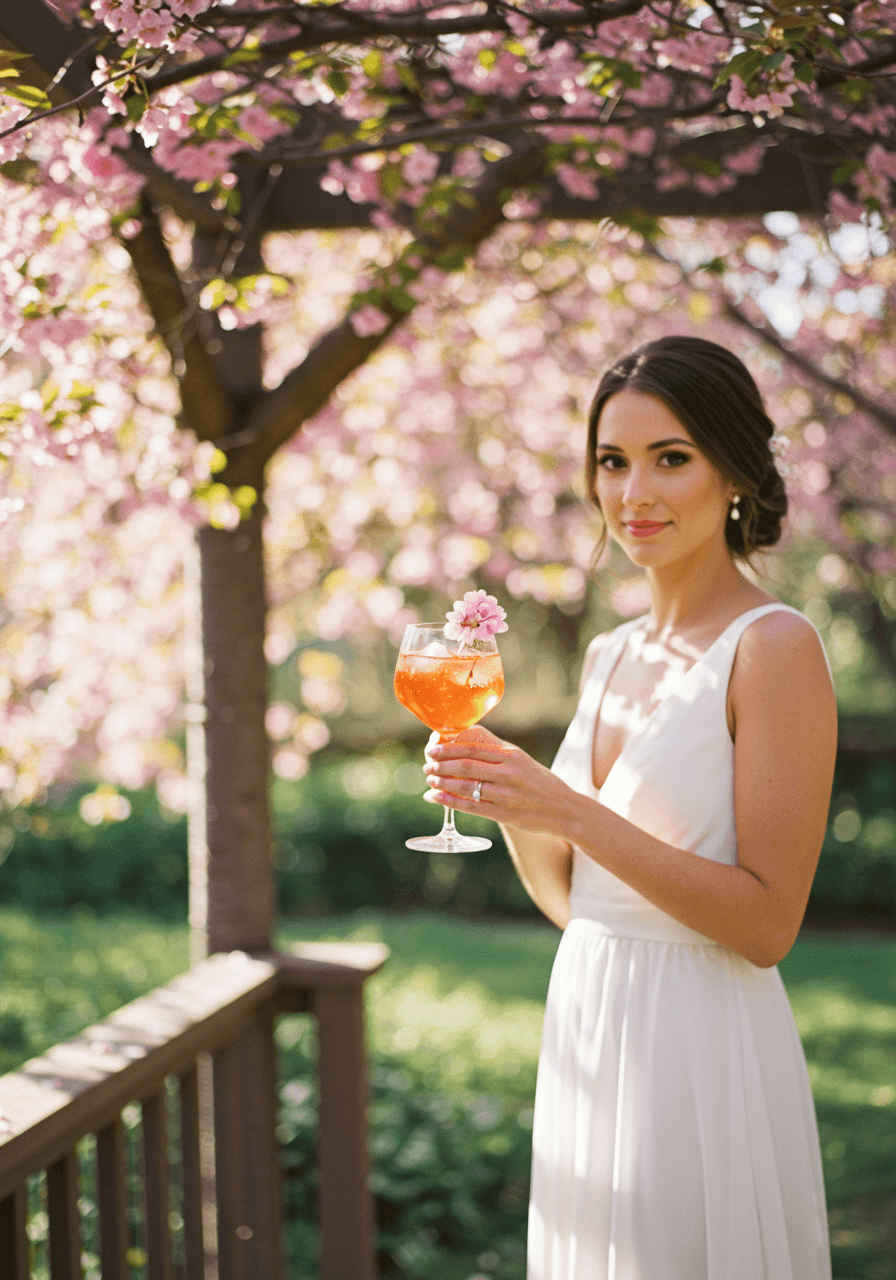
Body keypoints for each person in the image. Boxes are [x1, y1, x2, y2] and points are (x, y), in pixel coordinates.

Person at [422, 335, 836, 1280]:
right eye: (612, 461)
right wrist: (512, 800)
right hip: (590, 1024)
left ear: (735, 471)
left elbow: (769, 923)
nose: (633, 494)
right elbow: (581, 902)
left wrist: (570, 810)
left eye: (670, 459)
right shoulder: (609, 652)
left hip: (701, 1046)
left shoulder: (772, 647)